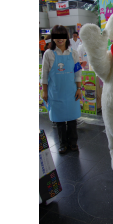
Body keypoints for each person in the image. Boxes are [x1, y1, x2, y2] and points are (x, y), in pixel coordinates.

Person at [41, 25, 82, 154]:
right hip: (56, 92)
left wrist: (79, 88)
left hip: (71, 91)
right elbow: (45, 75)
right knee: (59, 121)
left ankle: (73, 142)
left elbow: (77, 73)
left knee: (71, 120)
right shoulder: (48, 54)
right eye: (57, 36)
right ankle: (63, 144)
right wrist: (45, 91)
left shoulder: (73, 53)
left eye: (62, 35)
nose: (60, 39)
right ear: (53, 38)